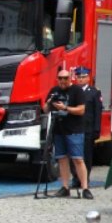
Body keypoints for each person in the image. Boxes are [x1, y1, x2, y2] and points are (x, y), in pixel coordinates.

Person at [45, 69, 91, 199]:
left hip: (74, 130)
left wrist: (65, 108)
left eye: (65, 78)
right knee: (62, 159)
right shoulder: (54, 91)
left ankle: (85, 188)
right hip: (59, 130)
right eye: (60, 78)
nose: (63, 81)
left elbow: (81, 110)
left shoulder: (76, 91)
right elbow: (45, 109)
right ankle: (65, 187)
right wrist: (49, 103)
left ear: (70, 78)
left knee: (78, 159)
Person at [75, 67, 103, 187]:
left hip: (88, 129)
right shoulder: (74, 91)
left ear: (88, 78)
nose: (81, 79)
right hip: (75, 129)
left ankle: (85, 179)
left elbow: (97, 112)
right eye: (79, 77)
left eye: (83, 77)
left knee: (87, 155)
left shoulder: (94, 92)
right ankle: (76, 178)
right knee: (75, 155)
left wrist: (96, 129)